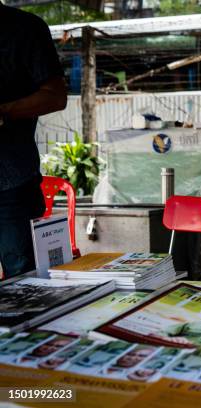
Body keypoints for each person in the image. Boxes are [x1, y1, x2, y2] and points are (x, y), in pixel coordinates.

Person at [0, 4, 67, 278]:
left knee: (26, 283)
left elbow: (55, 95)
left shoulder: (23, 28)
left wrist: (3, 111)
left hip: (10, 183)